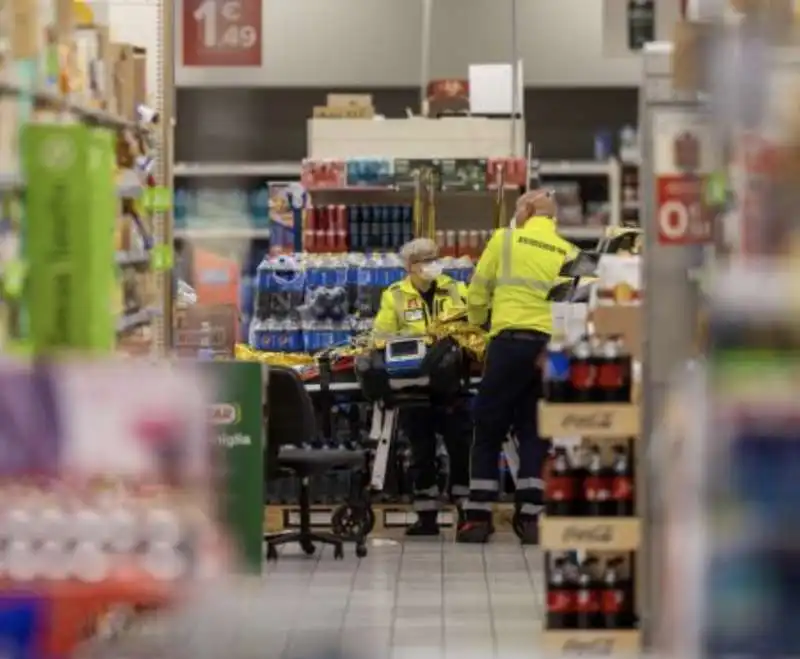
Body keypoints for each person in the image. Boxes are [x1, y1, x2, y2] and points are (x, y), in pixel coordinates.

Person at [456, 190, 579, 544]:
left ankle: (478, 516)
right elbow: (577, 307)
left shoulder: (504, 240)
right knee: (537, 429)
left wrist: (479, 326)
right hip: (554, 351)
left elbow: (478, 291)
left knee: (487, 423)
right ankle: (532, 518)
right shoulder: (570, 252)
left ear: (525, 210)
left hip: (509, 342)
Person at [372, 238, 471, 536]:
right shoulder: (394, 296)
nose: (431, 263)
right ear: (409, 266)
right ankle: (426, 515)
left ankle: (466, 509)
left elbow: (469, 325)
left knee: (460, 445)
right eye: (424, 259)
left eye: (434, 257)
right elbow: (381, 337)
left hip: (449, 381)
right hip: (413, 384)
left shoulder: (455, 288)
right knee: (420, 448)